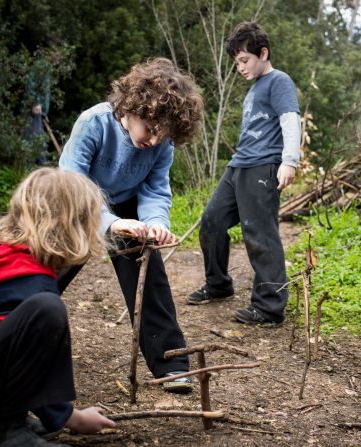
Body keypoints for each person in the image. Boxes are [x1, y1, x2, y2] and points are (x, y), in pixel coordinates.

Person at [0, 168, 116, 446]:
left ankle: (5, 421)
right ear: (74, 226)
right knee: (47, 312)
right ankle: (8, 431)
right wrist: (71, 417)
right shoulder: (30, 283)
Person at [58, 58, 204, 393]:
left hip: (126, 208)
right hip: (75, 203)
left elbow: (154, 189)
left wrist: (154, 224)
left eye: (162, 135)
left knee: (147, 270)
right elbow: (71, 184)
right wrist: (109, 222)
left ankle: (171, 363)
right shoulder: (93, 123)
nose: (153, 141)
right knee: (42, 275)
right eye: (150, 130)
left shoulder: (161, 143)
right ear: (134, 106)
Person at [186, 21, 301, 327]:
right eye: (236, 62)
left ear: (263, 53)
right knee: (211, 221)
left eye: (244, 60)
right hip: (239, 166)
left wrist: (290, 160)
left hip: (263, 166)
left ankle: (269, 308)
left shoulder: (279, 81)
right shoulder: (255, 88)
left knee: (259, 232)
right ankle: (218, 285)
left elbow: (290, 119)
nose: (240, 67)